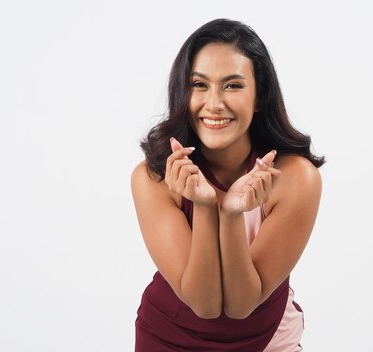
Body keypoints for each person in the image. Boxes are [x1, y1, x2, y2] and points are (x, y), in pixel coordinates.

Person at [131, 19, 325, 351]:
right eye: (199, 85)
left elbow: (241, 305)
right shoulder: (155, 178)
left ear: (259, 95)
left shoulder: (296, 178)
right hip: (170, 337)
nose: (215, 103)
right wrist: (206, 206)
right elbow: (203, 304)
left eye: (233, 85)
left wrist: (233, 214)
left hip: (268, 339)